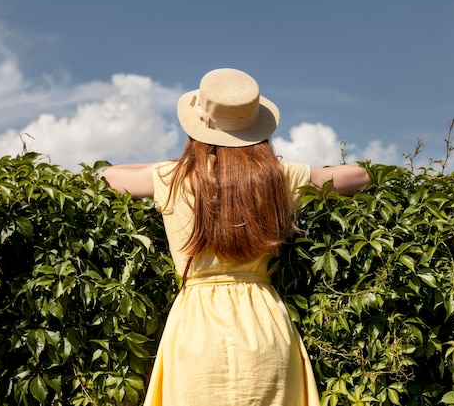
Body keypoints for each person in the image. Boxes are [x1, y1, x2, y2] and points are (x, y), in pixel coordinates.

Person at [102, 68, 371, 406]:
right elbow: (359, 175)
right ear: (256, 128)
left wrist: (183, 163)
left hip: (195, 326)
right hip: (264, 321)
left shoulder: (173, 177)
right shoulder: (280, 177)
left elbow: (110, 176)